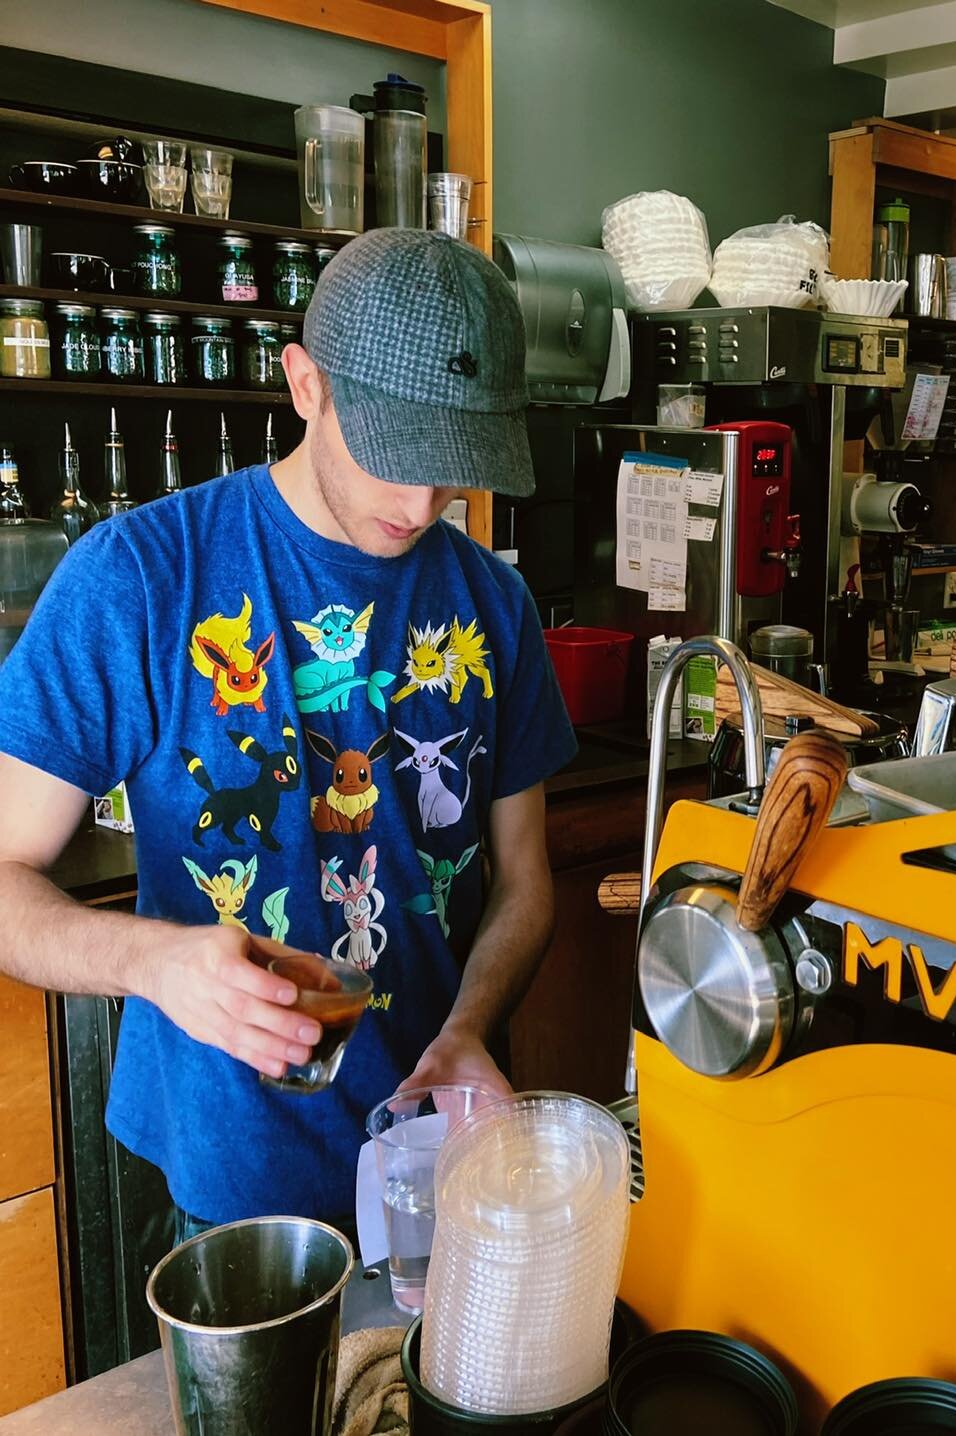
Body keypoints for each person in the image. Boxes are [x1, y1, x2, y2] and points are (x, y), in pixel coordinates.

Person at [0, 230, 578, 1237]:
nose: (420, 503)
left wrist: (470, 1027)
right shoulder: (140, 576)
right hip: (237, 1173)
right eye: (395, 457)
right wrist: (153, 961)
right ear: (305, 385)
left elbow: (525, 878)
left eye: (452, 471)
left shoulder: (495, 601)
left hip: (444, 1146)